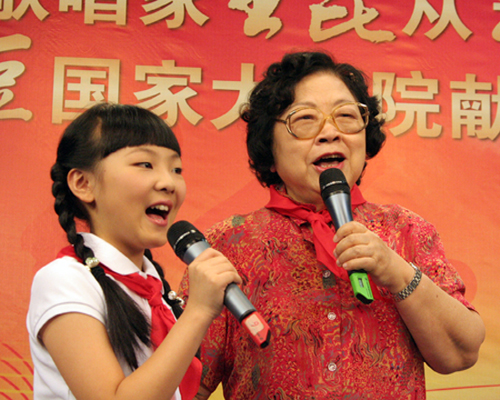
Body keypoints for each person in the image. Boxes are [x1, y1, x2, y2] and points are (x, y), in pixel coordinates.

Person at [179, 51, 485, 399]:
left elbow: (461, 353)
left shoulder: (406, 230)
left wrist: (395, 271)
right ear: (270, 148)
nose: (329, 133)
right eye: (305, 119)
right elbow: (186, 383)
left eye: (346, 116)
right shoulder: (230, 243)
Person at [26, 103, 241, 400]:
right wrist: (199, 312)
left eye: (176, 169)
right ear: (83, 183)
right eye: (145, 165)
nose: (168, 183)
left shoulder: (158, 294)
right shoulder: (63, 280)